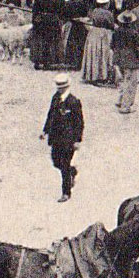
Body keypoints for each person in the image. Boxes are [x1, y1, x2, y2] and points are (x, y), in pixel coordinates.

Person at [41, 74, 84, 202]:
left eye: (62, 87)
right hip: (55, 138)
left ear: (67, 87)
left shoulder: (73, 102)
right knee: (56, 161)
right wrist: (45, 131)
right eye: (58, 87)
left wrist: (77, 140)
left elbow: (79, 123)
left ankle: (66, 193)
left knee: (64, 165)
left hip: (68, 140)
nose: (60, 90)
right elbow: (51, 115)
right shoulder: (55, 98)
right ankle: (72, 172)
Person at [112, 9, 139, 114]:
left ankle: (120, 100)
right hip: (131, 60)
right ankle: (126, 106)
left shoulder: (117, 32)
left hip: (119, 58)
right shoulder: (134, 33)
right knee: (131, 83)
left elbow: (112, 45)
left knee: (123, 81)